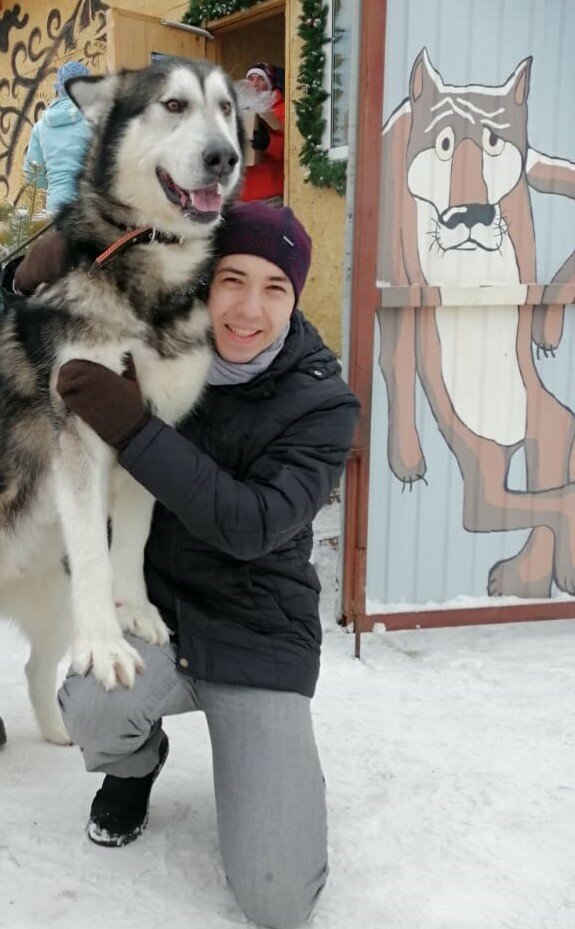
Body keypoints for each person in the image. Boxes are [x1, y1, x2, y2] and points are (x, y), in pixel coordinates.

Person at [30, 202, 359, 929]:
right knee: (95, 703)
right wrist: (33, 278)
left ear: (296, 299)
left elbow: (252, 525)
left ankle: (274, 777)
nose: (247, 308)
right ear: (204, 279)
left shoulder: (321, 404)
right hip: (158, 613)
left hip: (256, 636)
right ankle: (135, 765)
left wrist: (135, 429)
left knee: (278, 900)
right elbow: (63, 330)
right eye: (232, 279)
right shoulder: (161, 351)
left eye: (274, 287)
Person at [23, 60, 91, 215]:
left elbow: (32, 174)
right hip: (89, 207)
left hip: (56, 208)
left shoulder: (40, 127)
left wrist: (55, 183)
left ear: (58, 88)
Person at [240, 63, 286, 204]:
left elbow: (293, 149)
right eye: (251, 78)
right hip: (241, 196)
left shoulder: (282, 110)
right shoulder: (237, 110)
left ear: (270, 83)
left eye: (260, 78)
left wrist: (268, 143)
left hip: (270, 196)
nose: (254, 84)